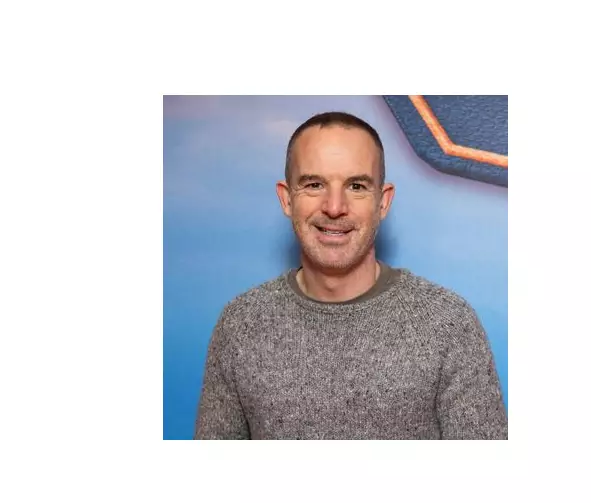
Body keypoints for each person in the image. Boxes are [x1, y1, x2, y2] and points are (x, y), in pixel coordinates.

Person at [194, 111, 507, 440]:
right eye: (314, 185)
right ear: (287, 199)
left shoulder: (449, 324)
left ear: (383, 202)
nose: (334, 207)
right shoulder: (240, 325)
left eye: (356, 186)